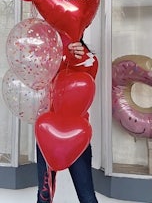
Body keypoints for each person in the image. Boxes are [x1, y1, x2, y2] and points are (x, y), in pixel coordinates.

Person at [36, 40, 98, 203]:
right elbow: (40, 76)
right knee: (44, 196)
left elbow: (89, 72)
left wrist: (73, 57)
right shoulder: (50, 54)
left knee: (87, 196)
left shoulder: (88, 58)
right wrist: (62, 54)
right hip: (47, 133)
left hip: (77, 136)